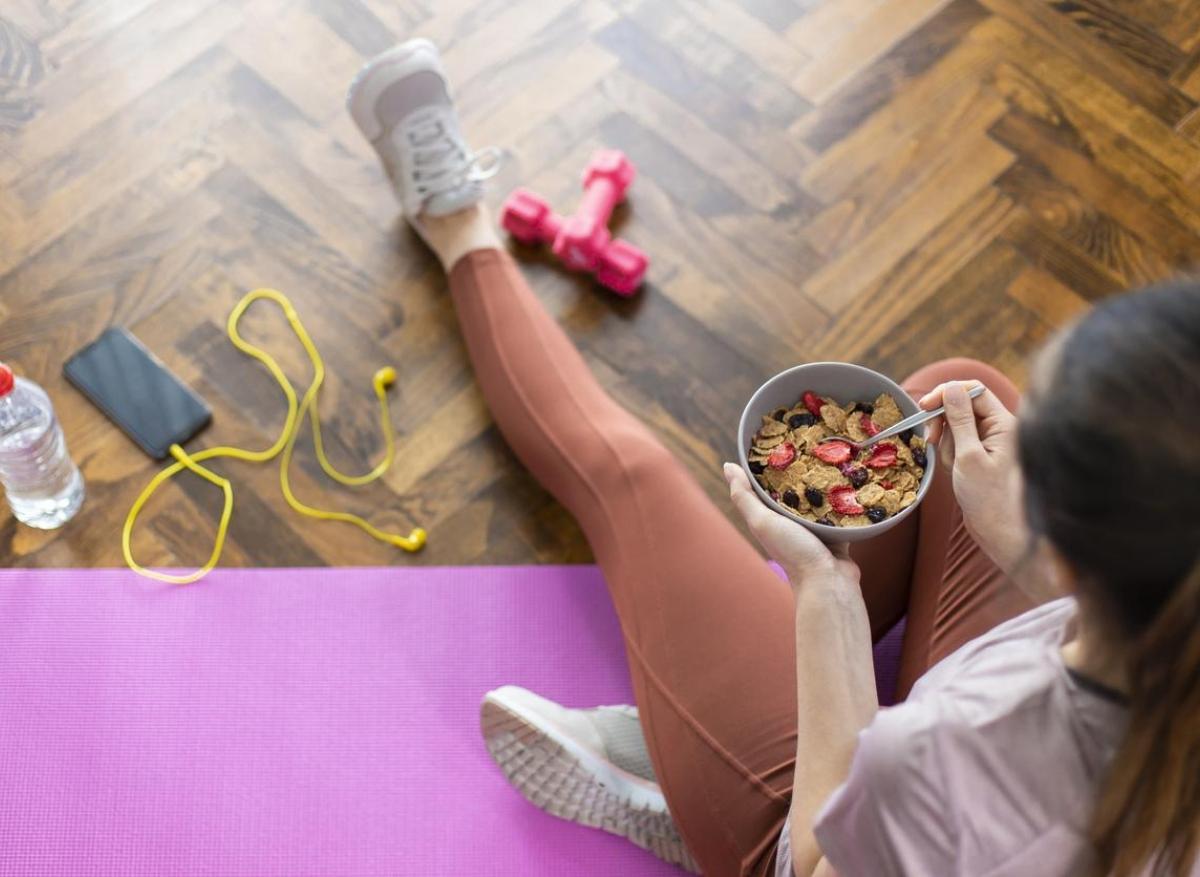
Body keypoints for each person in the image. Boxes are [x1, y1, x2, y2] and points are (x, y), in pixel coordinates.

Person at [346, 41, 1200, 877]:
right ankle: (704, 734)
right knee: (963, 391)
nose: (1026, 443)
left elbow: (819, 863)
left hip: (827, 838)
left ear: (1069, 548)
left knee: (628, 476)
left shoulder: (947, 757)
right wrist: (1035, 543)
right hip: (1003, 764)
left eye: (1040, 465)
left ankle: (455, 226)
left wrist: (827, 596)